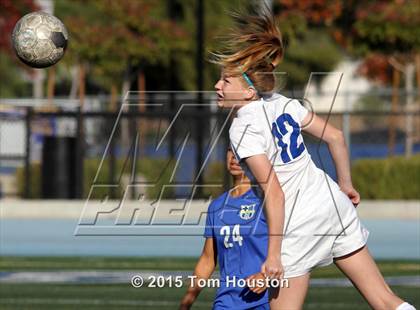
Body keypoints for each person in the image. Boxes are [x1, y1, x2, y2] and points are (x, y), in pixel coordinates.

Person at [212, 6, 416, 310]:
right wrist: (345, 186)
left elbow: (275, 194)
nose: (217, 86)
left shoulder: (243, 127)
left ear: (249, 92)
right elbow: (336, 136)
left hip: (300, 222)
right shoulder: (282, 103)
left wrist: (273, 254)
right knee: (386, 302)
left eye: (227, 81)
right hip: (333, 205)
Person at [180, 147, 271, 310]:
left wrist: (267, 276)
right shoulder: (217, 206)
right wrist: (186, 302)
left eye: (242, 149)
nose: (235, 156)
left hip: (265, 301)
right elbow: (208, 260)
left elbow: (291, 247)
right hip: (226, 302)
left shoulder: (268, 200)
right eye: (231, 150)